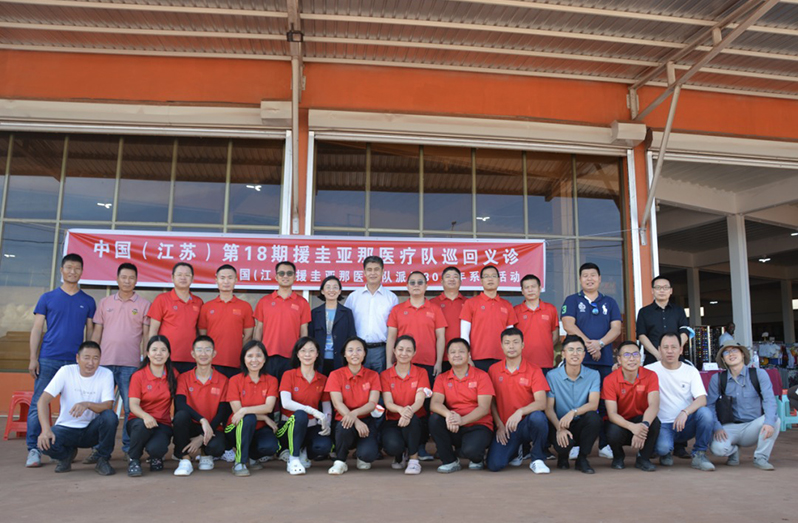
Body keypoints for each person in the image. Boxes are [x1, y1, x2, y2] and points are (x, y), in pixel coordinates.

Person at [27, 253, 97, 468]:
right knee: (39, 402)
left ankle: (79, 444)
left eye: (77, 268)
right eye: (69, 267)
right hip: (49, 359)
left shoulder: (87, 301)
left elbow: (91, 335)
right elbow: (37, 328)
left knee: (81, 402)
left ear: (82, 272)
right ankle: (33, 449)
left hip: (76, 363)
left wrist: (90, 360)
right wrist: (33, 358)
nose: (72, 271)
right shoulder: (47, 298)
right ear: (61, 270)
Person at [88, 262, 151, 462]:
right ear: (117, 279)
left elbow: (147, 336)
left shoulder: (143, 305)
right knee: (102, 407)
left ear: (136, 280)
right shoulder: (105, 302)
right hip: (104, 364)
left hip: (131, 364)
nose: (127, 281)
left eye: (131, 277)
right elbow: (97, 332)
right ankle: (98, 448)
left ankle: (127, 447)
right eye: (123, 277)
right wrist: (92, 359)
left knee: (130, 408)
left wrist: (146, 360)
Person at [561, 262, 622, 459]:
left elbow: (616, 328)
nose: (589, 278)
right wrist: (589, 344)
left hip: (603, 360)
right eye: (585, 275)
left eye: (593, 275)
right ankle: (577, 444)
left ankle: (605, 444)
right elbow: (568, 324)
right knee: (578, 402)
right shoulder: (572, 300)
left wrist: (600, 344)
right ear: (580, 279)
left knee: (604, 402)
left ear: (599, 278)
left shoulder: (610, 302)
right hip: (579, 361)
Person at [35, 341, 116, 475]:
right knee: (45, 442)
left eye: (95, 358)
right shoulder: (66, 371)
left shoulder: (106, 374)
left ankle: (103, 459)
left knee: (110, 416)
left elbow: (108, 405)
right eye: (86, 357)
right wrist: (45, 430)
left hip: (92, 430)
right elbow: (42, 401)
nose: (91, 362)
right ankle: (65, 456)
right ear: (77, 358)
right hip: (67, 428)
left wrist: (87, 404)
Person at [645, 332, 715, 471]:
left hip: (685, 422)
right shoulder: (649, 370)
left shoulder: (690, 371)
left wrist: (685, 412)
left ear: (681, 349)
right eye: (665, 347)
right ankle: (665, 453)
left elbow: (702, 399)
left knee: (705, 414)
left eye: (674, 347)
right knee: (663, 448)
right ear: (659, 349)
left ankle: (699, 454)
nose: (670, 351)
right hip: (663, 425)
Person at [707, 340, 779, 471]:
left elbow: (769, 400)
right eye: (726, 352)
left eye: (734, 350)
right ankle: (733, 451)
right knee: (717, 449)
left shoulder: (758, 374)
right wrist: (717, 427)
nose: (731, 354)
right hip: (729, 427)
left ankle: (761, 457)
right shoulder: (717, 379)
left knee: (775, 420)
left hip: (754, 426)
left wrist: (768, 422)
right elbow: (710, 406)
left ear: (742, 354)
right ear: (723, 359)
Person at [486, 328, 550, 474]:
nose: (511, 346)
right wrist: (499, 425)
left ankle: (537, 459)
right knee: (494, 465)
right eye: (507, 343)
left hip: (526, 423)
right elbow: (492, 402)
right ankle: (517, 449)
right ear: (501, 346)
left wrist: (520, 412)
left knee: (538, 418)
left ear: (522, 345)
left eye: (516, 342)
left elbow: (541, 403)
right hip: (506, 428)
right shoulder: (493, 370)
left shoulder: (534, 370)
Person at [429, 338, 495, 473]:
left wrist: (462, 420)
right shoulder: (442, 378)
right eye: (453, 352)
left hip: (478, 425)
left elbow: (484, 408)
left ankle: (476, 458)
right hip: (453, 425)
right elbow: (434, 403)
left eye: (461, 351)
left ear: (469, 355)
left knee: (471, 452)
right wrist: (449, 415)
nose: (457, 355)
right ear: (447, 356)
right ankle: (450, 461)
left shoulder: (482, 376)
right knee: (435, 419)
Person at [173, 335, 231, 476]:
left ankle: (206, 453)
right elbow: (180, 404)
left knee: (217, 447)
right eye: (199, 350)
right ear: (193, 354)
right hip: (192, 424)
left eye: (207, 350)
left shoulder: (223, 380)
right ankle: (185, 459)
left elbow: (222, 412)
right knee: (180, 416)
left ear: (214, 353)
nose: (203, 354)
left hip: (213, 426)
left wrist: (202, 436)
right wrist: (202, 420)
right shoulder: (184, 377)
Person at [325, 337, 382, 475]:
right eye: (350, 350)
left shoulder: (373, 375)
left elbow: (372, 403)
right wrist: (354, 419)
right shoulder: (335, 375)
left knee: (368, 456)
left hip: (366, 422)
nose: (354, 354)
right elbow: (337, 403)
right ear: (344, 354)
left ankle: (361, 454)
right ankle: (340, 461)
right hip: (344, 421)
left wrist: (355, 414)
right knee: (346, 424)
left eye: (358, 350)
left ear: (364, 354)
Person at [544, 335, 601, 474]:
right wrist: (559, 428)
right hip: (560, 422)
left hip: (580, 421)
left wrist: (573, 412)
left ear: (584, 354)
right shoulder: (552, 376)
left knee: (594, 418)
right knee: (563, 445)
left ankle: (582, 459)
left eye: (579, 350)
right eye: (570, 350)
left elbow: (593, 404)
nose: (575, 354)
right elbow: (549, 408)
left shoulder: (593, 375)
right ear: (563, 354)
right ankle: (562, 456)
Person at [276, 337, 333, 475]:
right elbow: (286, 403)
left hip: (312, 426)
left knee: (324, 446)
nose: (307, 354)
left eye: (311, 351)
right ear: (297, 354)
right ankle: (293, 458)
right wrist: (312, 410)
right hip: (289, 426)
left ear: (317, 354)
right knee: (300, 415)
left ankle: (303, 451)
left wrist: (327, 422)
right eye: (303, 351)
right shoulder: (288, 375)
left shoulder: (323, 379)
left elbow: (326, 407)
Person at [603, 341, 661, 472]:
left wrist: (643, 426)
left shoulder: (651, 375)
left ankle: (643, 458)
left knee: (654, 422)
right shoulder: (610, 380)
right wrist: (633, 428)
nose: (632, 359)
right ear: (619, 359)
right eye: (627, 355)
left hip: (640, 420)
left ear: (640, 357)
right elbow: (612, 414)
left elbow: (654, 405)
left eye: (636, 354)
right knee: (612, 431)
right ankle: (618, 457)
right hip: (621, 422)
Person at [225, 341, 280, 477]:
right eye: (249, 356)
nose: (254, 360)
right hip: (236, 427)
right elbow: (238, 411)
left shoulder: (271, 380)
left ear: (265, 359)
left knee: (271, 446)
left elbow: (269, 406)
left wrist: (245, 410)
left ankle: (251, 456)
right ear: (244, 359)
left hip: (260, 428)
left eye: (258, 356)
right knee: (248, 418)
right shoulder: (235, 380)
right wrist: (264, 417)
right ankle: (239, 462)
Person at [126, 335, 178, 477]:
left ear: (168, 354)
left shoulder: (173, 375)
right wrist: (146, 416)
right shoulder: (139, 376)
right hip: (139, 422)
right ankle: (134, 459)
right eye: (154, 350)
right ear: (148, 354)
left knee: (157, 448)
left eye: (163, 350)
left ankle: (155, 456)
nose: (158, 354)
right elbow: (133, 405)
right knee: (142, 426)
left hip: (162, 424)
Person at [381, 335, 431, 475]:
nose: (404, 353)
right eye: (400, 349)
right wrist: (401, 411)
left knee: (412, 420)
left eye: (409, 350)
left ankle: (414, 460)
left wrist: (407, 413)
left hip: (416, 421)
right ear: (394, 351)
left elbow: (420, 400)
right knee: (392, 446)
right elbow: (388, 403)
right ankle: (400, 454)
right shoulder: (385, 375)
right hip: (393, 421)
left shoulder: (421, 372)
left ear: (414, 353)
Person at [254, 261, 310, 382]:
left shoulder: (302, 303)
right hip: (267, 356)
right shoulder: (264, 301)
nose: (285, 276)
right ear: (276, 277)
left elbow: (304, 331)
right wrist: (257, 352)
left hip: (292, 357)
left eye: (289, 273)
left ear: (295, 277)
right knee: (268, 394)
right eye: (282, 273)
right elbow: (258, 329)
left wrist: (302, 354)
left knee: (287, 394)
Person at [386, 271, 447, 382]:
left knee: (427, 397)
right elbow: (391, 337)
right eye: (412, 283)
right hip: (402, 362)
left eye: (420, 282)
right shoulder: (397, 310)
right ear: (407, 286)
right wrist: (389, 362)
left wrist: (439, 362)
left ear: (426, 286)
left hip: (428, 362)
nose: (416, 285)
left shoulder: (435, 309)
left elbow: (441, 337)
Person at [344, 256, 398, 374]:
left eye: (376, 269)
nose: (373, 273)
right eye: (369, 270)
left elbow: (393, 329)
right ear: (364, 272)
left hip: (381, 351)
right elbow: (346, 324)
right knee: (357, 387)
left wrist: (390, 359)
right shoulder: (354, 297)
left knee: (380, 387)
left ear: (383, 272)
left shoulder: (391, 298)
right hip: (357, 351)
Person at [198, 264, 254, 378]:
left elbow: (248, 335)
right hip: (211, 362)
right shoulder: (207, 307)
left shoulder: (245, 306)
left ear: (236, 280)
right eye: (222, 278)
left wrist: (239, 354)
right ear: (216, 280)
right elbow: (203, 335)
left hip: (236, 362)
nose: (226, 281)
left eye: (230, 277)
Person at [459, 265, 518, 372]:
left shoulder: (507, 305)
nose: (490, 279)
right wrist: (467, 357)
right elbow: (464, 334)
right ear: (481, 281)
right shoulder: (470, 303)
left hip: (502, 358)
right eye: (486, 276)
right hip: (477, 358)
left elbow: (511, 335)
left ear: (499, 280)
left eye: (493, 276)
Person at [148, 262, 203, 374]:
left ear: (192, 279)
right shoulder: (162, 299)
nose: (183, 278)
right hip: (166, 358)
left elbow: (200, 332)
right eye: (179, 275)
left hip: (191, 358)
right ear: (172, 278)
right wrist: (151, 354)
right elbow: (153, 330)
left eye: (187, 275)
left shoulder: (198, 302)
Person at [308, 275, 357, 375]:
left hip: (340, 359)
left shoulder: (346, 313)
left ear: (339, 291)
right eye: (328, 287)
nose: (331, 290)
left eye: (335, 287)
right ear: (322, 291)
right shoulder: (315, 313)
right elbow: (310, 337)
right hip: (319, 359)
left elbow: (352, 337)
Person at [636, 276, 689, 365]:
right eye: (658, 288)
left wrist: (675, 350)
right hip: (653, 359)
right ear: (652, 291)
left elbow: (685, 332)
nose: (662, 290)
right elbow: (641, 335)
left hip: (676, 359)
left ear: (671, 291)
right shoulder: (644, 312)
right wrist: (658, 355)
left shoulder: (679, 310)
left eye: (665, 287)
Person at [513, 274, 559, 373]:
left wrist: (544, 346)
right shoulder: (515, 311)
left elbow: (555, 335)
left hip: (545, 362)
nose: (530, 290)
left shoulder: (550, 309)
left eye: (533, 287)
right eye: (526, 287)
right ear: (522, 291)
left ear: (540, 288)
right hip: (522, 363)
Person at [430, 266, 469, 371]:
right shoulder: (432, 304)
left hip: (463, 356)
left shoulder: (469, 303)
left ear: (460, 282)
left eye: (455, 277)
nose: (452, 279)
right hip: (438, 358)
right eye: (448, 277)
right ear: (442, 282)